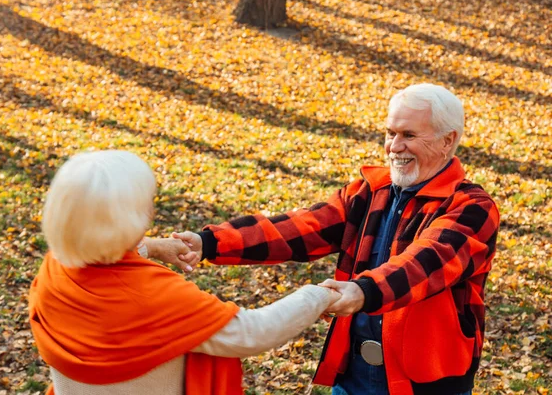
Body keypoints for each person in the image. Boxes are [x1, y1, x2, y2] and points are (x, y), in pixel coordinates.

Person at [150, 84, 500, 395]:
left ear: (448, 140)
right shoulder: (370, 191)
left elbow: (426, 264)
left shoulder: (472, 207)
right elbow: (303, 228)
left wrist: (363, 291)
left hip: (427, 383)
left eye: (408, 134)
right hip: (354, 375)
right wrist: (209, 242)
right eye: (390, 133)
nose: (394, 147)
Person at [28, 150, 341, 395]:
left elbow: (94, 256)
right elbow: (252, 332)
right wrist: (317, 296)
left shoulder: (55, 270)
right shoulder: (150, 296)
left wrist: (150, 247)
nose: (151, 211)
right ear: (125, 220)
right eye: (146, 204)